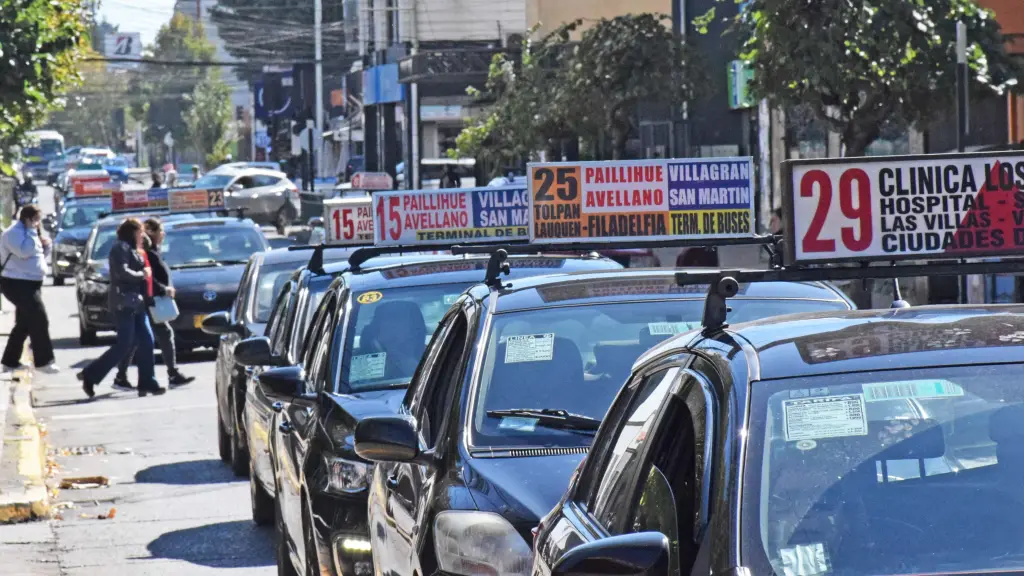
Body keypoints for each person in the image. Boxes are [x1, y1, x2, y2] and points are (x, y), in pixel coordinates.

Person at [77, 218, 166, 398]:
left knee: (147, 340)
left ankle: (148, 382)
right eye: (140, 232)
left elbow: (147, 249)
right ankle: (90, 374)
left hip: (137, 302)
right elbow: (122, 272)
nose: (143, 236)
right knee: (125, 344)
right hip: (123, 303)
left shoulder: (133, 248)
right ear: (133, 232)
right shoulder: (120, 248)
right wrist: (143, 274)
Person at [112, 219, 194, 390]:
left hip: (149, 299)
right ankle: (170, 374)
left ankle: (122, 377)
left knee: (140, 338)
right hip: (148, 300)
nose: (163, 234)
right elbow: (148, 278)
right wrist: (163, 289)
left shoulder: (151, 250)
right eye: (161, 231)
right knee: (156, 335)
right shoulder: (143, 252)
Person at [0, 205, 58, 374]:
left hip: (31, 283)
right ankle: (44, 361)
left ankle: (10, 361)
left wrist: (46, 246)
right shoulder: (13, 233)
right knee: (39, 318)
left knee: (24, 323)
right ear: (27, 219)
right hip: (16, 283)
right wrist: (33, 232)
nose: (38, 223)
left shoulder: (29, 233)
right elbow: (24, 252)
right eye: (36, 220)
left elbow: (36, 254)